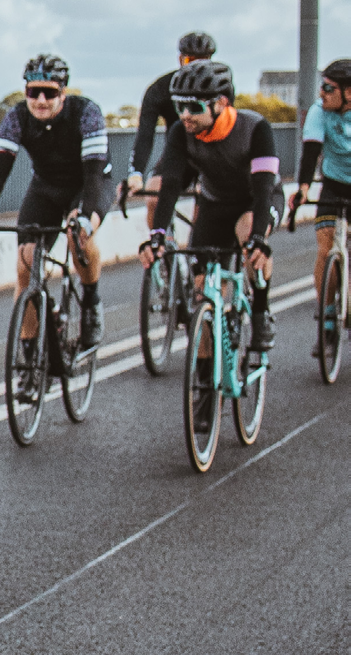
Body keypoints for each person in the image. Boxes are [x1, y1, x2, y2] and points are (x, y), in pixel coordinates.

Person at [140, 60, 279, 424]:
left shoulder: (254, 128)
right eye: (179, 106)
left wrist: (259, 239)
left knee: (249, 237)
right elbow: (171, 183)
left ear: (221, 103)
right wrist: (157, 236)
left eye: (193, 106)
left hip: (255, 201)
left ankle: (260, 310)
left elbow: (264, 189)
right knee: (203, 293)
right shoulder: (181, 132)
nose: (184, 114)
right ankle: (204, 386)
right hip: (215, 204)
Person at [0, 54, 112, 395]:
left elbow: (93, 176)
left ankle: (91, 302)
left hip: (87, 185)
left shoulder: (86, 113)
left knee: (78, 237)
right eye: (33, 92)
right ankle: (31, 362)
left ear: (63, 92)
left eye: (49, 92)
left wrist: (86, 218)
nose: (41, 100)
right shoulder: (17, 117)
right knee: (26, 265)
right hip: (45, 187)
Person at [292, 58, 351, 355]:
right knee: (325, 248)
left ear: (349, 93)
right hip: (334, 182)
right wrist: (303, 188)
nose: (321, 94)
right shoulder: (319, 111)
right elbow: (311, 151)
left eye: (329, 88)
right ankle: (327, 317)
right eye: (321, 86)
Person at [127, 32, 217, 226]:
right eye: (190, 60)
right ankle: (160, 242)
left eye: (203, 60)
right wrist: (136, 174)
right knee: (154, 198)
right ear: (180, 59)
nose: (196, 66)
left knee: (206, 206)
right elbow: (145, 135)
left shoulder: (219, 89)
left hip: (213, 155)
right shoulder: (160, 89)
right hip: (178, 155)